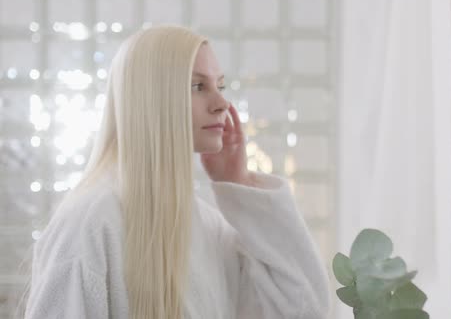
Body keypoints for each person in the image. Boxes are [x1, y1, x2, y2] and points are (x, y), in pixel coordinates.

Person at [23, 26, 330, 319]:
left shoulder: (206, 224)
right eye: (198, 86)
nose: (222, 103)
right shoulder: (90, 222)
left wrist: (240, 182)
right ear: (151, 96)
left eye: (220, 85)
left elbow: (302, 308)